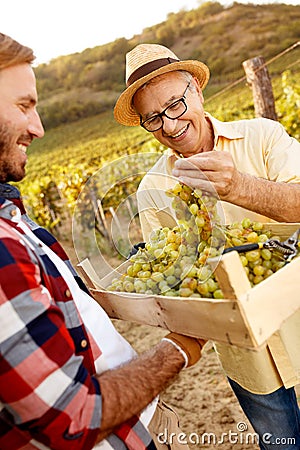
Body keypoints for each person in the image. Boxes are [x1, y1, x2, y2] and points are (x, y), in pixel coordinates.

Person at [0, 33, 206, 450]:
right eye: (24, 105)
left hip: (142, 417)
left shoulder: (13, 219)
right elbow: (74, 418)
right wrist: (181, 348)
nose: (38, 128)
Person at [114, 43, 300, 449]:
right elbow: (176, 283)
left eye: (176, 104)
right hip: (248, 360)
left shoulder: (263, 137)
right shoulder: (154, 192)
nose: (170, 124)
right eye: (154, 118)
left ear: (197, 90)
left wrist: (239, 187)